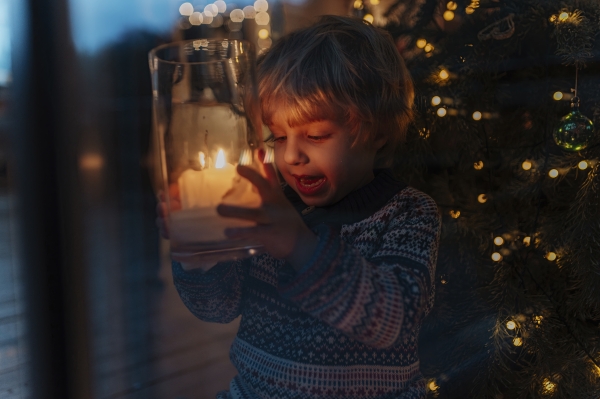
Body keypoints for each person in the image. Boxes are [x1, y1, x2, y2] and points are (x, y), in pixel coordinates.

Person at [157, 15, 441, 399]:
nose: (291, 155)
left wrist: (298, 243)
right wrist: (198, 250)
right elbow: (218, 307)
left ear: (376, 132)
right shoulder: (271, 207)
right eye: (278, 137)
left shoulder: (408, 213)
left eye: (316, 135)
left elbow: (389, 322)